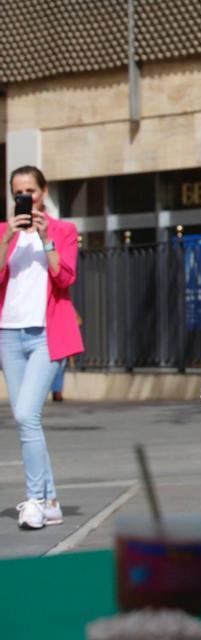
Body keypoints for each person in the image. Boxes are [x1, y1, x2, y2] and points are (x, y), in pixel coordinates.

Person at [2, 166, 84, 530]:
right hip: (8, 334)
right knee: (27, 421)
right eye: (19, 191)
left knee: (25, 416)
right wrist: (8, 241)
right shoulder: (5, 233)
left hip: (46, 336)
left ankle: (35, 499)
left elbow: (65, 277)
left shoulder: (63, 230)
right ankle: (49, 502)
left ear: (43, 191)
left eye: (31, 190)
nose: (26, 197)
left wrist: (46, 239)